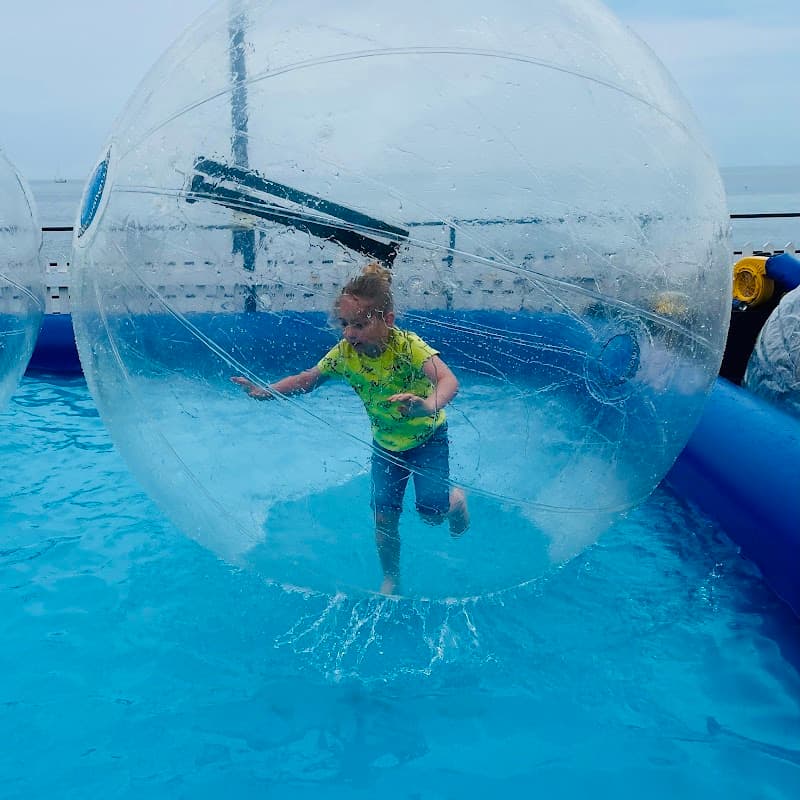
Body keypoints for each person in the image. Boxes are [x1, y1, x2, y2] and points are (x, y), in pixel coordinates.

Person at [232, 262, 469, 595]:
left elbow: (449, 381)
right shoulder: (345, 355)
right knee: (384, 519)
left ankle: (454, 500)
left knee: (431, 514)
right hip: (386, 446)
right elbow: (307, 380)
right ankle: (391, 577)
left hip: (427, 438)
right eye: (344, 324)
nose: (348, 333)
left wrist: (428, 405)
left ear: (387, 320)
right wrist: (264, 391)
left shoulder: (408, 347)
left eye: (358, 324)